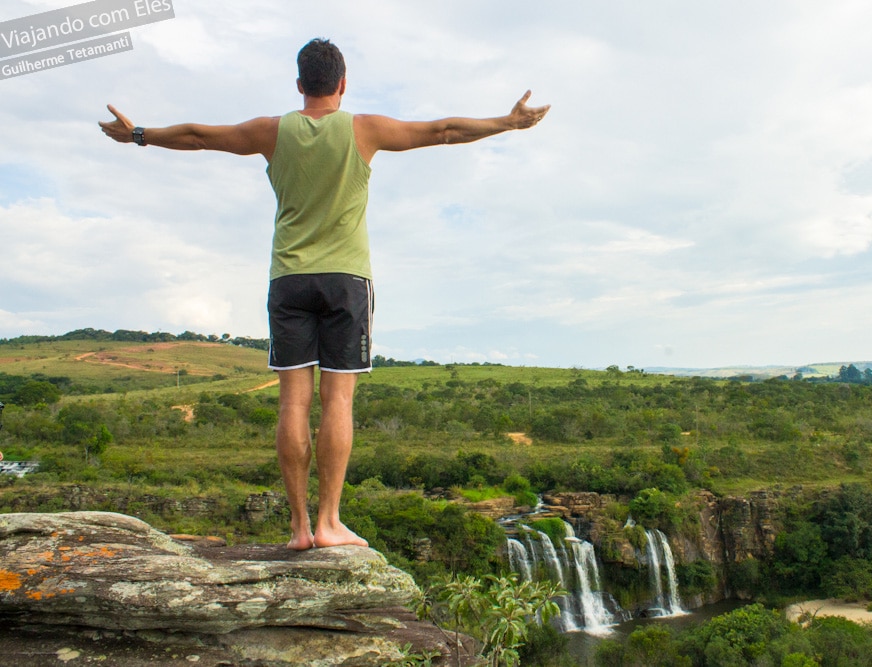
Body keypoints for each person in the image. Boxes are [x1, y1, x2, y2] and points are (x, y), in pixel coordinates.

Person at [99, 38, 549, 550]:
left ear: (299, 85)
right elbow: (443, 131)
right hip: (346, 282)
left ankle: (297, 528)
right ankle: (329, 522)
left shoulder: (272, 131)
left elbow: (200, 136)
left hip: (288, 279)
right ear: (342, 83)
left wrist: (137, 134)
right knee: (338, 401)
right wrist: (506, 123)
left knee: (294, 400)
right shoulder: (364, 129)